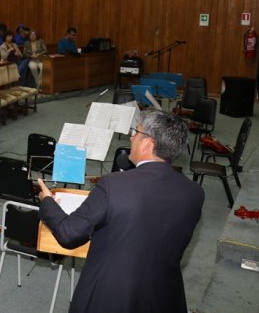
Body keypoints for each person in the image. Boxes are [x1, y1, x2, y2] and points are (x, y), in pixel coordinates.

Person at [37, 110, 204, 313]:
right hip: (164, 296)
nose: (131, 137)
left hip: (111, 296)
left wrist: (47, 202)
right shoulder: (195, 193)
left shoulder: (113, 184)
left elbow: (70, 234)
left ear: (148, 143)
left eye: (136, 132)